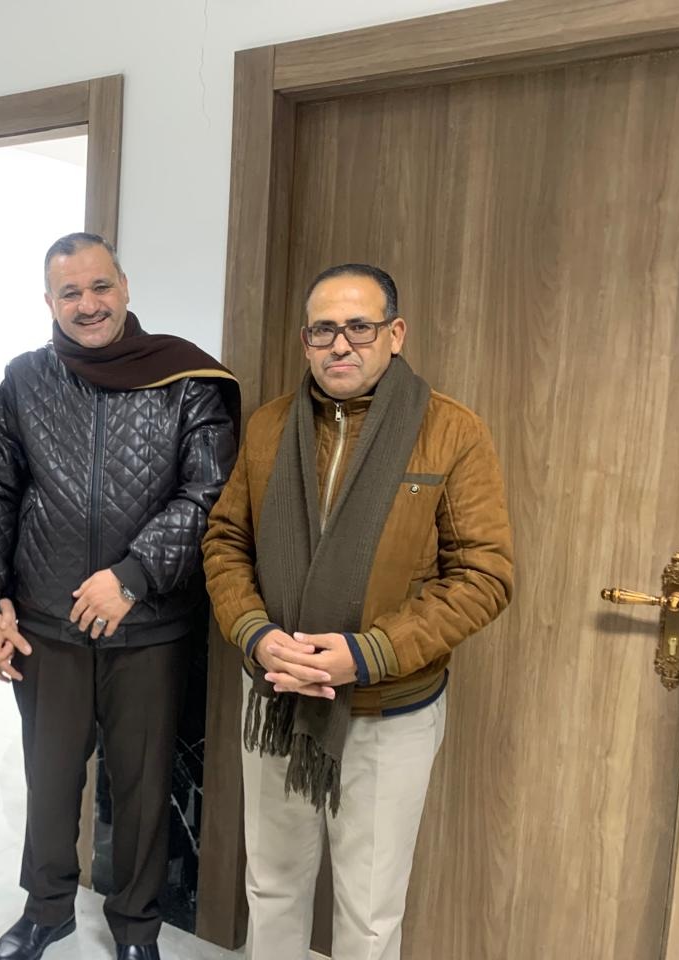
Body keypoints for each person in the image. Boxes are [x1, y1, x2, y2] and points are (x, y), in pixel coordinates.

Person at [202, 263, 514, 959]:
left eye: (360, 327)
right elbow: (226, 542)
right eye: (323, 330)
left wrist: (366, 655)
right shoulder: (269, 427)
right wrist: (255, 634)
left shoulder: (451, 431)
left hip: (386, 710)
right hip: (276, 696)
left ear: (395, 334)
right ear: (306, 341)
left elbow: (483, 576)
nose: (340, 344)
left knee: (369, 914)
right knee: (272, 889)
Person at [0, 232, 239, 960]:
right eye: (70, 293)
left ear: (125, 287)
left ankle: (136, 927)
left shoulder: (186, 378)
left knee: (143, 787)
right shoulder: (25, 379)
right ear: (49, 301)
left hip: (148, 624)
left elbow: (209, 491)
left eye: (99, 287)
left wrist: (131, 575)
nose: (87, 305)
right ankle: (47, 908)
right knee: (50, 778)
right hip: (47, 623)